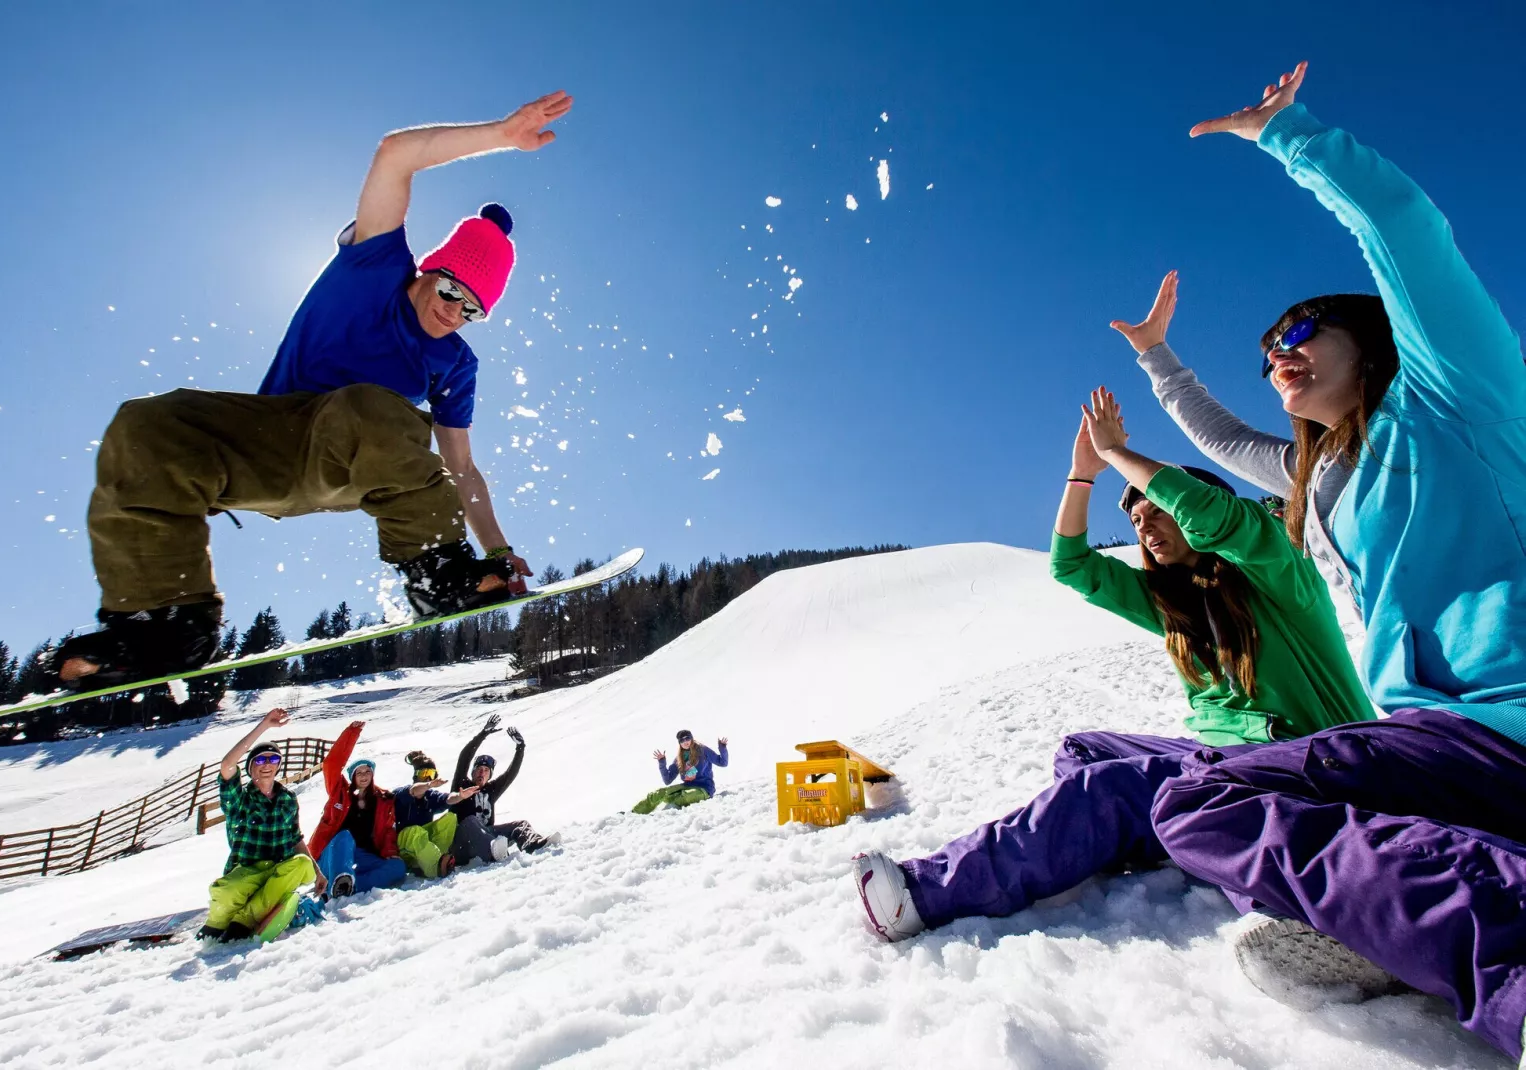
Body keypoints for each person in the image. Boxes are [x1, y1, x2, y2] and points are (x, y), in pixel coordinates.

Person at [1120, 63, 1526, 1061]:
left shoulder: (1452, 397)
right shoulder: (1316, 477)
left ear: (1372, 340)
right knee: (1200, 800)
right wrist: (1155, 360)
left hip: (1503, 724)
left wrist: (1287, 136)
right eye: (1265, 349)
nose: (1277, 356)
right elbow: (1217, 443)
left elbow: (1404, 229)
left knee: (1204, 797)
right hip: (1439, 744)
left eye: (1299, 331)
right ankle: (1415, 929)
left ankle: (1493, 935)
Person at [49, 90, 575, 690]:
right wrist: (502, 135)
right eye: (452, 291)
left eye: (473, 311)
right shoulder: (373, 266)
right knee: (146, 426)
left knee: (373, 407)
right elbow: (395, 155)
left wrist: (498, 552)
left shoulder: (455, 363)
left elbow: (462, 469)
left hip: (358, 464)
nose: (454, 313)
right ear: (431, 267)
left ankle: (436, 570)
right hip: (268, 444)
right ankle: (161, 619)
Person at [852, 387, 1375, 942]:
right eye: (1136, 520)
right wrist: (1083, 476)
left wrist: (1118, 454)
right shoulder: (1173, 605)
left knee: (1108, 788)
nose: (1145, 527)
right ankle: (1182, 837)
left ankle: (923, 895)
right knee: (1083, 751)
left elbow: (1217, 518)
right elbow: (1072, 565)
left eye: (1158, 511)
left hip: (1306, 761)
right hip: (1222, 760)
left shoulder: (1280, 576)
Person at [201, 708, 323, 942]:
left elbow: (295, 838)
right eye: (261, 760)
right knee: (225, 893)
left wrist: (318, 872)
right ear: (251, 767)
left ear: (279, 766)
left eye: (273, 759)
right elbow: (227, 765)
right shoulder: (240, 799)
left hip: (276, 872)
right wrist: (264, 726)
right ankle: (218, 923)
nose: (267, 764)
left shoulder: (287, 799)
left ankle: (244, 920)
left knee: (302, 864)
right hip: (245, 873)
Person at [308, 720, 408, 897]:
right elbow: (331, 764)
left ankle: (347, 886)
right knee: (346, 836)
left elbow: (387, 830)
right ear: (352, 776)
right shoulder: (339, 793)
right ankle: (338, 878)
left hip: (362, 855)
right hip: (333, 852)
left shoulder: (383, 800)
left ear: (373, 775)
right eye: (359, 772)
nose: (363, 776)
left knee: (398, 867)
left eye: (367, 771)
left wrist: (390, 852)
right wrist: (351, 733)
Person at [448, 714, 553, 863]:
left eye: (486, 770)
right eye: (479, 769)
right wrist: (483, 734)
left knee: (520, 825)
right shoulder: (462, 785)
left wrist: (520, 747)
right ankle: (493, 852)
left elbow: (511, 774)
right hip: (462, 845)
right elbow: (464, 757)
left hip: (489, 838)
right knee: (470, 821)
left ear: (489, 775)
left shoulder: (491, 790)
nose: (482, 773)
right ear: (472, 772)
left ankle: (533, 845)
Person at [392, 750, 466, 878]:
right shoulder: (403, 793)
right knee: (414, 831)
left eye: (431, 774)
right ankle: (436, 867)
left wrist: (460, 796)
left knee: (450, 818)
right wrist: (428, 785)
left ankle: (439, 858)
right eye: (424, 773)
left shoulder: (430, 796)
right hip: (403, 847)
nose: (427, 778)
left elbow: (448, 798)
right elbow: (414, 791)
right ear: (416, 776)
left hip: (423, 845)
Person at [632, 730, 730, 813]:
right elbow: (667, 780)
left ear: (691, 738)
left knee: (687, 796)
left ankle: (668, 810)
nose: (685, 741)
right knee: (659, 793)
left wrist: (722, 748)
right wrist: (662, 763)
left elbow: (723, 763)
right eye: (682, 740)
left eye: (687, 738)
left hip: (704, 788)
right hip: (687, 786)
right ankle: (634, 813)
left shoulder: (703, 750)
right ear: (679, 743)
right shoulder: (679, 758)